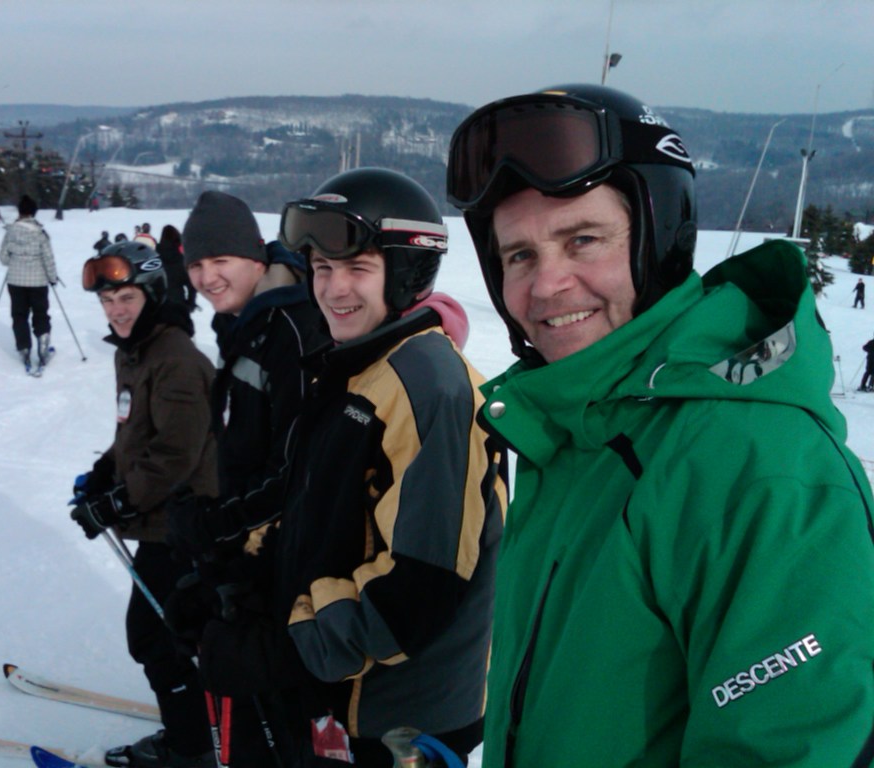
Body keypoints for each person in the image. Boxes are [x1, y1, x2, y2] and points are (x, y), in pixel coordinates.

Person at [445, 83, 874, 767]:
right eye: (519, 255)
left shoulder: (758, 468)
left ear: (659, 238)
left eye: (583, 240)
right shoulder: (574, 432)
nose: (546, 285)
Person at [184, 169, 506, 767]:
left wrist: (287, 648)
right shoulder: (358, 368)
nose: (333, 289)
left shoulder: (430, 388)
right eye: (322, 268)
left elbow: (421, 585)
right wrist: (248, 569)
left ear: (406, 272)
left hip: (403, 718)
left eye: (358, 268)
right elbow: (317, 502)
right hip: (349, 690)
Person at [165, 190, 326, 765]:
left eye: (221, 260)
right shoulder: (246, 323)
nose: (207, 277)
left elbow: (295, 467)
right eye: (196, 264)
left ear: (256, 257)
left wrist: (217, 528)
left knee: (282, 721)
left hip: (286, 570)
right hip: (251, 554)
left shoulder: (290, 326)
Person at [72, 240, 219, 768]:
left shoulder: (175, 360)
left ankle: (191, 748)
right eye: (107, 301)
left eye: (127, 298)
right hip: (161, 520)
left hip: (184, 524)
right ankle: (197, 727)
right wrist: (103, 474)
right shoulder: (134, 352)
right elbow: (134, 432)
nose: (116, 311)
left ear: (153, 294)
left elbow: (176, 453)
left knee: (156, 638)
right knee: (167, 636)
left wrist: (117, 502)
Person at [0, 195, 58, 370]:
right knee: (41, 314)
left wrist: (15, 260)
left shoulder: (10, 232)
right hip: (38, 282)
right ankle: (43, 349)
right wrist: (52, 278)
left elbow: (3, 258)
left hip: (15, 281)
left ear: (20, 211)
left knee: (19, 315)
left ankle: (24, 349)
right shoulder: (40, 233)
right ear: (34, 212)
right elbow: (48, 258)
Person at [156, 223, 197, 319]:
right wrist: (190, 303)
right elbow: (191, 285)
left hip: (158, 305)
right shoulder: (182, 260)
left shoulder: (155, 258)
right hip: (178, 304)